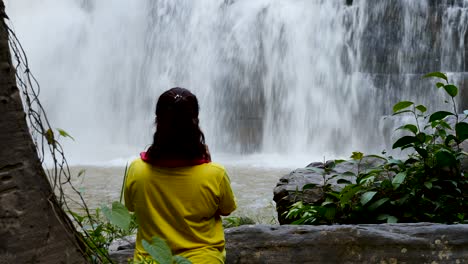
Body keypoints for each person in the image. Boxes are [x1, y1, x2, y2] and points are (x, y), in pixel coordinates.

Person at [124, 87, 237, 263]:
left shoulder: (136, 170)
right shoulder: (215, 174)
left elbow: (131, 207)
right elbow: (226, 210)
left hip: (151, 260)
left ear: (157, 122)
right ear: (195, 123)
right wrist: (207, 164)